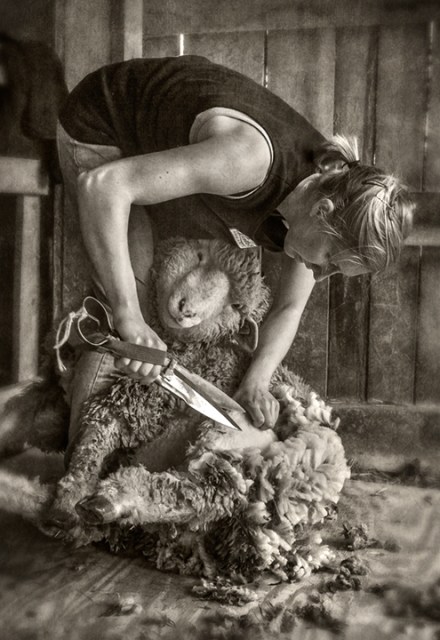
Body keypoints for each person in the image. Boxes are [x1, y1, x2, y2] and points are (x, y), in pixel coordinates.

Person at [56, 54, 414, 438]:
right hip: (102, 125)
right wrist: (129, 316)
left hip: (150, 148)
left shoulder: (319, 201)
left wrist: (256, 381)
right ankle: (85, 463)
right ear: (321, 211)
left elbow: (290, 307)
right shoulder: (249, 161)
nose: (322, 275)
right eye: (330, 261)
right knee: (131, 324)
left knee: (153, 329)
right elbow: (103, 186)